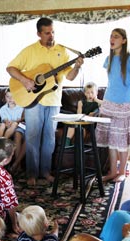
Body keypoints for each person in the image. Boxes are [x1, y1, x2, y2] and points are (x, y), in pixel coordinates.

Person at [7, 17, 83, 186]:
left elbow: (69, 76)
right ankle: (32, 174)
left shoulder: (62, 51)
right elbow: (11, 68)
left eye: (53, 32)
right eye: (47, 33)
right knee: (33, 137)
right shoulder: (30, 50)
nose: (51, 36)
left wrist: (77, 66)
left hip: (54, 101)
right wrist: (26, 81)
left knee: (49, 139)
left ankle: (45, 172)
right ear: (39, 34)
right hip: (33, 100)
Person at [95, 28, 130, 183]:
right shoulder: (109, 58)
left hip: (123, 105)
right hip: (108, 102)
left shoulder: (129, 59)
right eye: (111, 36)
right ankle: (113, 171)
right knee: (111, 139)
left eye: (116, 37)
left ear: (124, 40)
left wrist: (125, 94)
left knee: (121, 140)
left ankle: (122, 171)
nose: (112, 39)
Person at [0, 89, 25, 173]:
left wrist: (15, 121)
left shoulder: (21, 107)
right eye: (8, 96)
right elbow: (5, 120)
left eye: (12, 96)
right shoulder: (3, 109)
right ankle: (2, 141)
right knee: (6, 125)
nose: (10, 99)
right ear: (5, 97)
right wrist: (7, 122)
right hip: (8, 127)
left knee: (16, 128)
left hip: (19, 126)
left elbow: (21, 119)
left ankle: (4, 140)